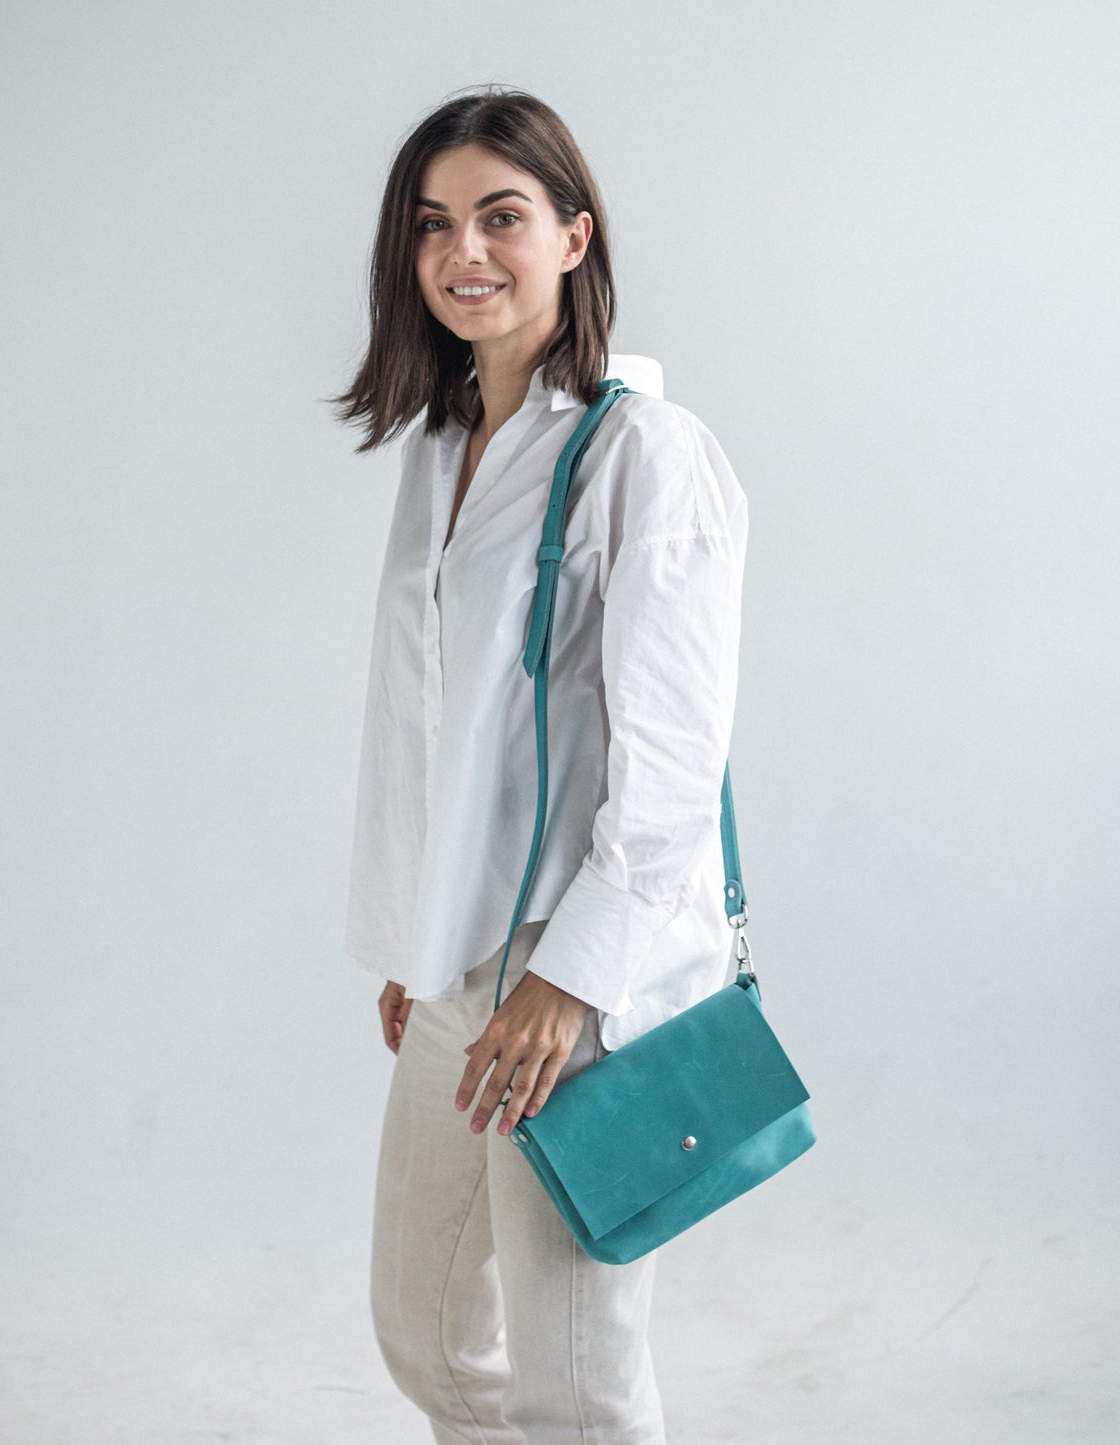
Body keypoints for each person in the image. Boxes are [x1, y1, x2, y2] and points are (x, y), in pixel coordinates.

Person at [331, 85, 748, 1444]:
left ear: (574, 236)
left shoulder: (645, 453)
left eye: (500, 216)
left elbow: (675, 760)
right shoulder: (443, 444)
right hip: (454, 954)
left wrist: (569, 983)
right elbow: (430, 721)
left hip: (572, 970)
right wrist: (416, 925)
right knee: (428, 1334)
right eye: (432, 223)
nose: (463, 251)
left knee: (577, 1377)